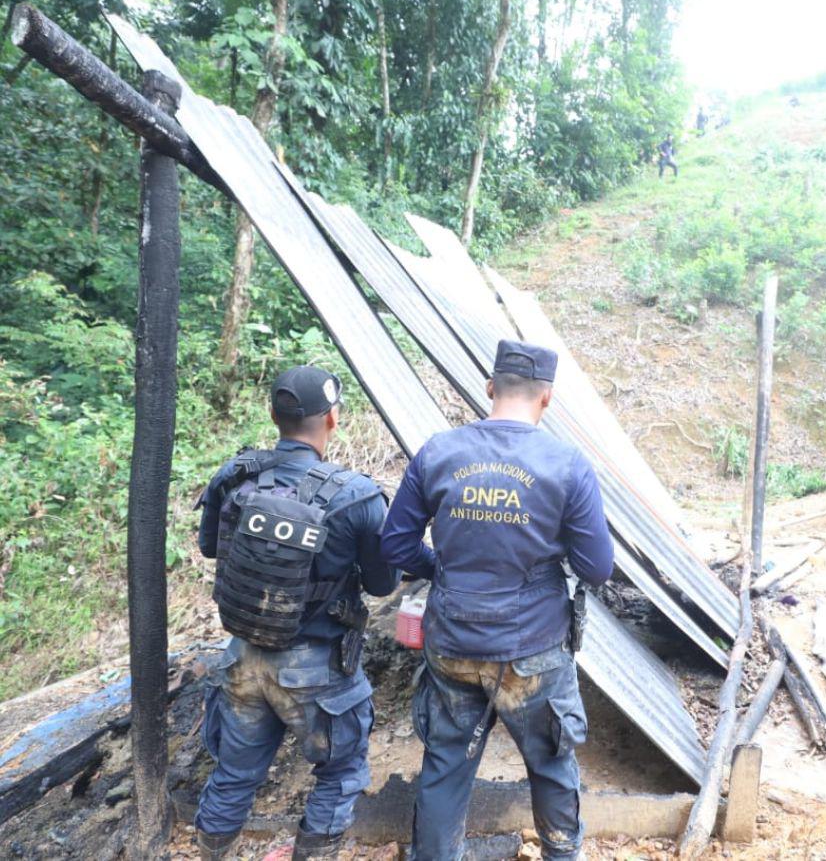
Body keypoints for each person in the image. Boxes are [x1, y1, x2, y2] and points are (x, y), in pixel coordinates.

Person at [381, 339, 615, 861]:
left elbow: (395, 545)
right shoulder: (567, 465)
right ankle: (560, 853)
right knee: (552, 762)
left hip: (453, 644)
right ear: (547, 398)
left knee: (444, 765)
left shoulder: (438, 452)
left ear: (490, 388)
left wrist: (442, 569)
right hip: (533, 651)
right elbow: (597, 568)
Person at [193, 366, 396, 860]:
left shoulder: (235, 474)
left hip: (242, 657)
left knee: (234, 773)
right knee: (342, 772)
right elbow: (382, 583)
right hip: (316, 670)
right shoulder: (358, 496)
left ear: (272, 415)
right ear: (333, 418)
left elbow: (209, 548)